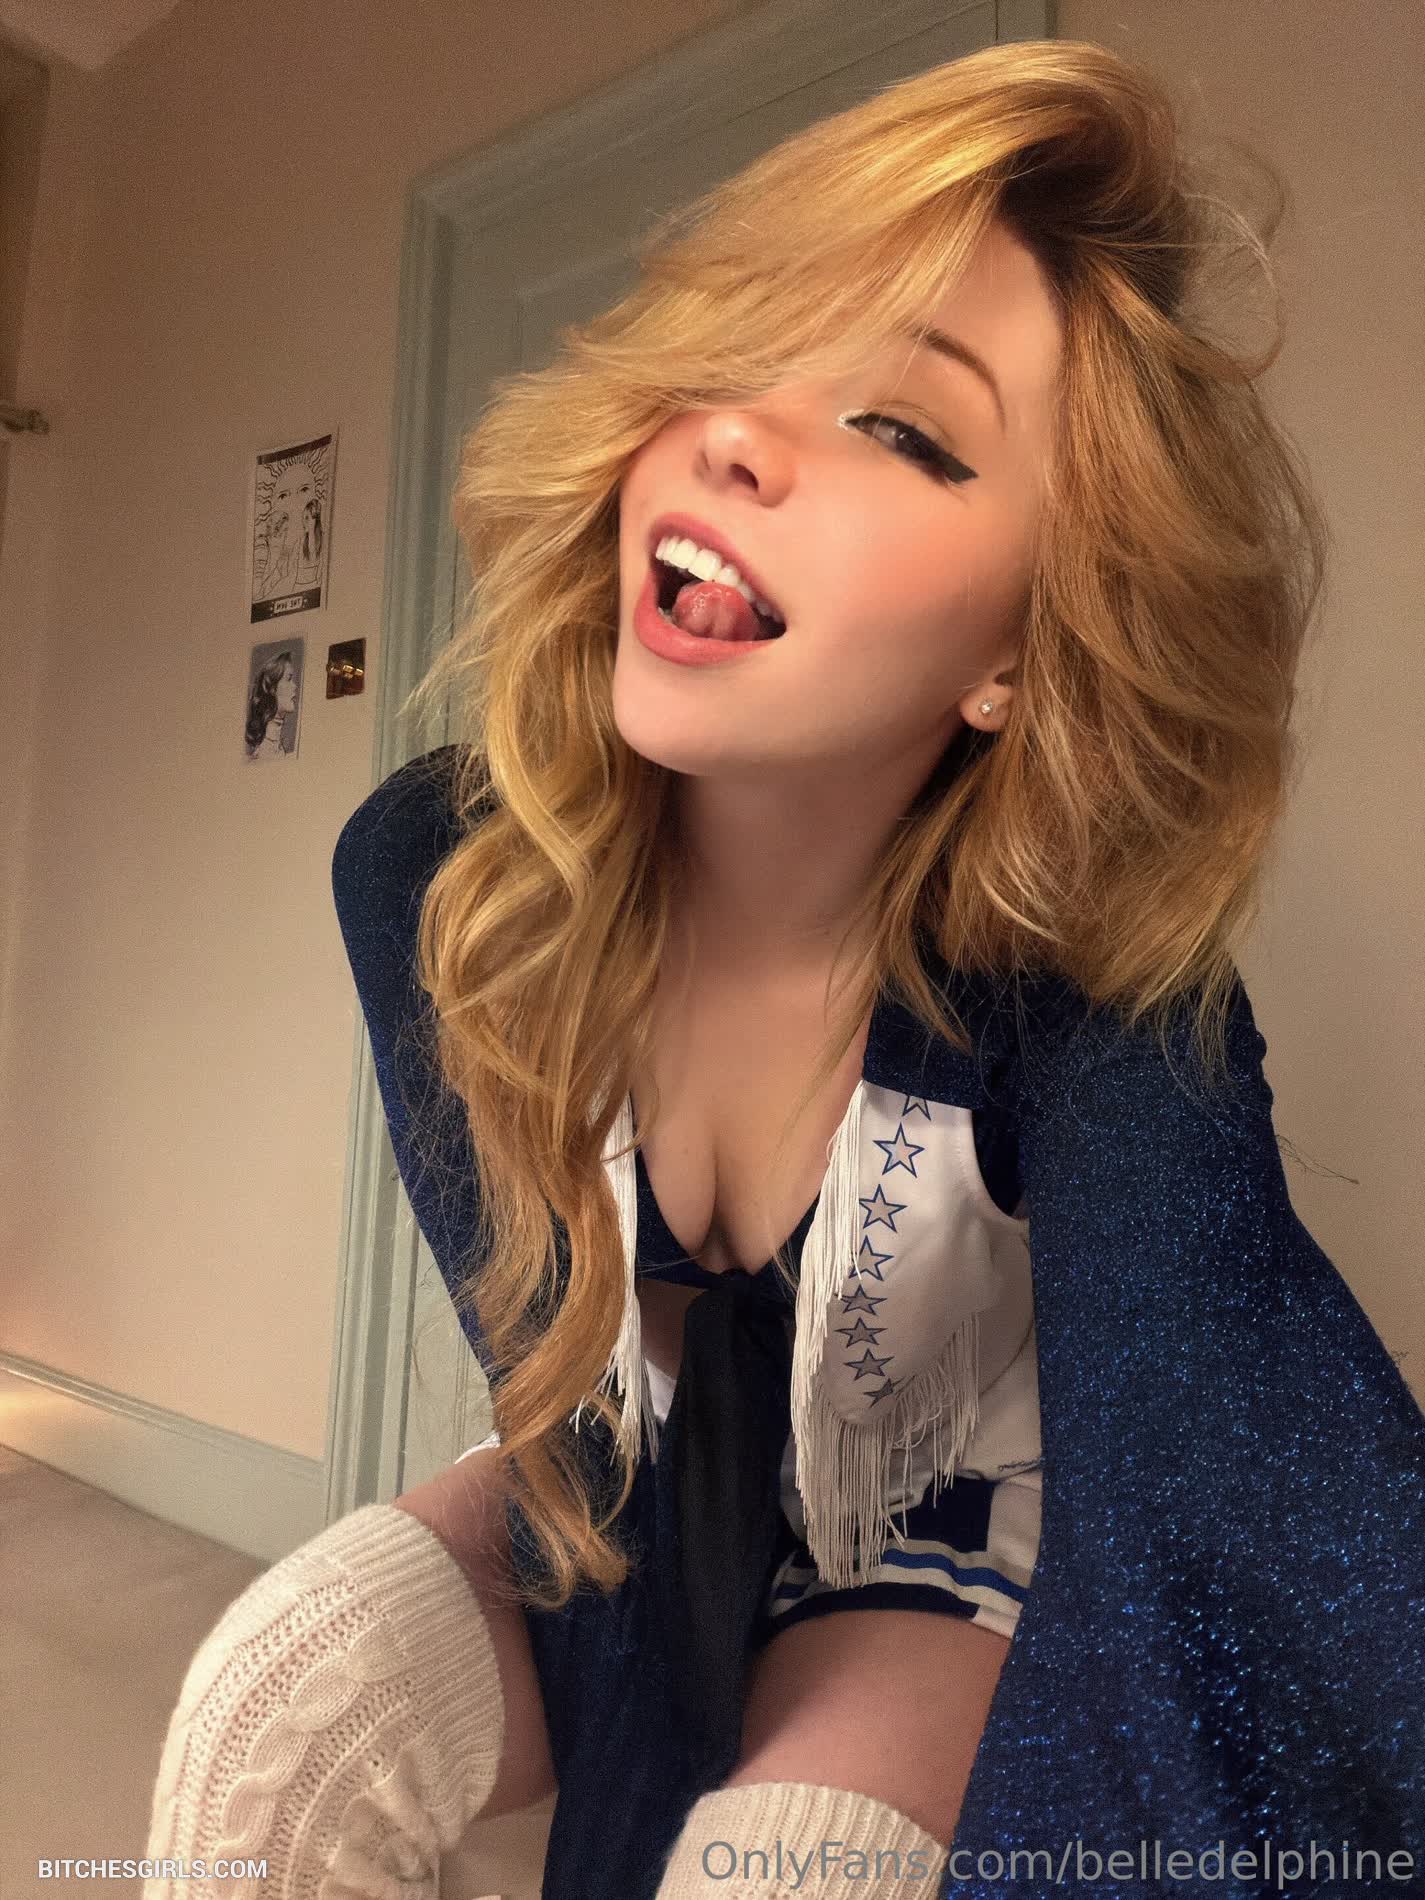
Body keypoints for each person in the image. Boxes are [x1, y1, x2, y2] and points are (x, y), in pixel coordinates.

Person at [144, 37, 1425, 1900]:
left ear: (1018, 651)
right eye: (734, 353)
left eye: (900, 427)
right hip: (638, 1491)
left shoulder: (1104, 1010)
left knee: (781, 1869)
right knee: (276, 1715)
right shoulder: (434, 876)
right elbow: (559, 1384)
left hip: (943, 1551)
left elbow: (1251, 1512)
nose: (738, 436)